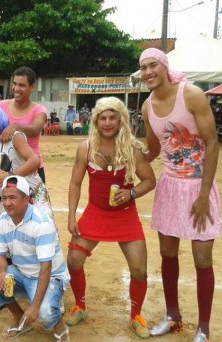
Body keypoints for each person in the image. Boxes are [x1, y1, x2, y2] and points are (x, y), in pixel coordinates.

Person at [139, 48, 221, 342]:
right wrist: (126, 157)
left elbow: (212, 144)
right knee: (168, 254)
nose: (148, 72)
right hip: (170, 187)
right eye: (143, 68)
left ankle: (204, 328)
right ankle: (173, 316)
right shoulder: (147, 107)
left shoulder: (192, 94)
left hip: (199, 185)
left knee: (202, 259)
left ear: (164, 66)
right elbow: (153, 150)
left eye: (152, 66)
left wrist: (202, 194)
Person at [66, 97, 156, 338]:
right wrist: (72, 216)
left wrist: (132, 193)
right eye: (102, 118)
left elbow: (150, 180)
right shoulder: (86, 147)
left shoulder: (132, 149)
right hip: (95, 212)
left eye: (112, 117)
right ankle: (80, 306)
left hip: (125, 215)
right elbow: (75, 183)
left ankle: (136, 315)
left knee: (139, 270)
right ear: (96, 120)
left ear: (121, 120)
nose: (107, 122)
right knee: (74, 259)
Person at [0, 175, 70, 341]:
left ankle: (61, 328)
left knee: (44, 312)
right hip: (22, 272)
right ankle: (19, 318)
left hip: (50, 276)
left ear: (26, 199)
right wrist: (3, 272)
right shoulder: (3, 219)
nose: (7, 203)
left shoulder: (41, 223)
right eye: (4, 198)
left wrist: (34, 307)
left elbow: (46, 268)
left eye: (13, 198)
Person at [0, 102, 52, 223]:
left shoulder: (14, 138)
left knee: (43, 234)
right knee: (3, 237)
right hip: (8, 200)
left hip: (34, 193)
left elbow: (34, 161)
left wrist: (10, 175)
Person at [0, 67, 48, 183]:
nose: (16, 89)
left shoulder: (39, 110)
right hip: (5, 170)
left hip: (32, 170)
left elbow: (35, 129)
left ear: (32, 86)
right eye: (14, 84)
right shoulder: (0, 107)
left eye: (22, 85)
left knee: (35, 202)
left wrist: (14, 127)